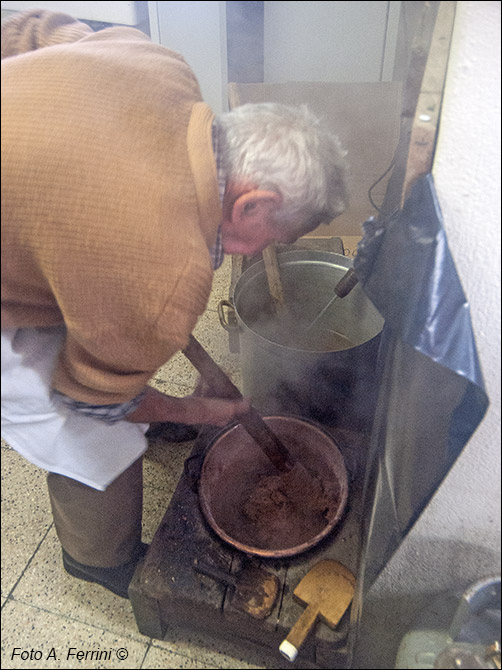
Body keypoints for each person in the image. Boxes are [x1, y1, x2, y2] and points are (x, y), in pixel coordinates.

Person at [1, 9, 348, 598]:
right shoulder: (165, 272)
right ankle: (97, 559)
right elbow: (86, 398)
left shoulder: (157, 63)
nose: (270, 249)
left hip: (42, 231)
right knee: (86, 431)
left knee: (117, 336)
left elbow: (24, 28)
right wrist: (202, 413)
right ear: (250, 206)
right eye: (278, 236)